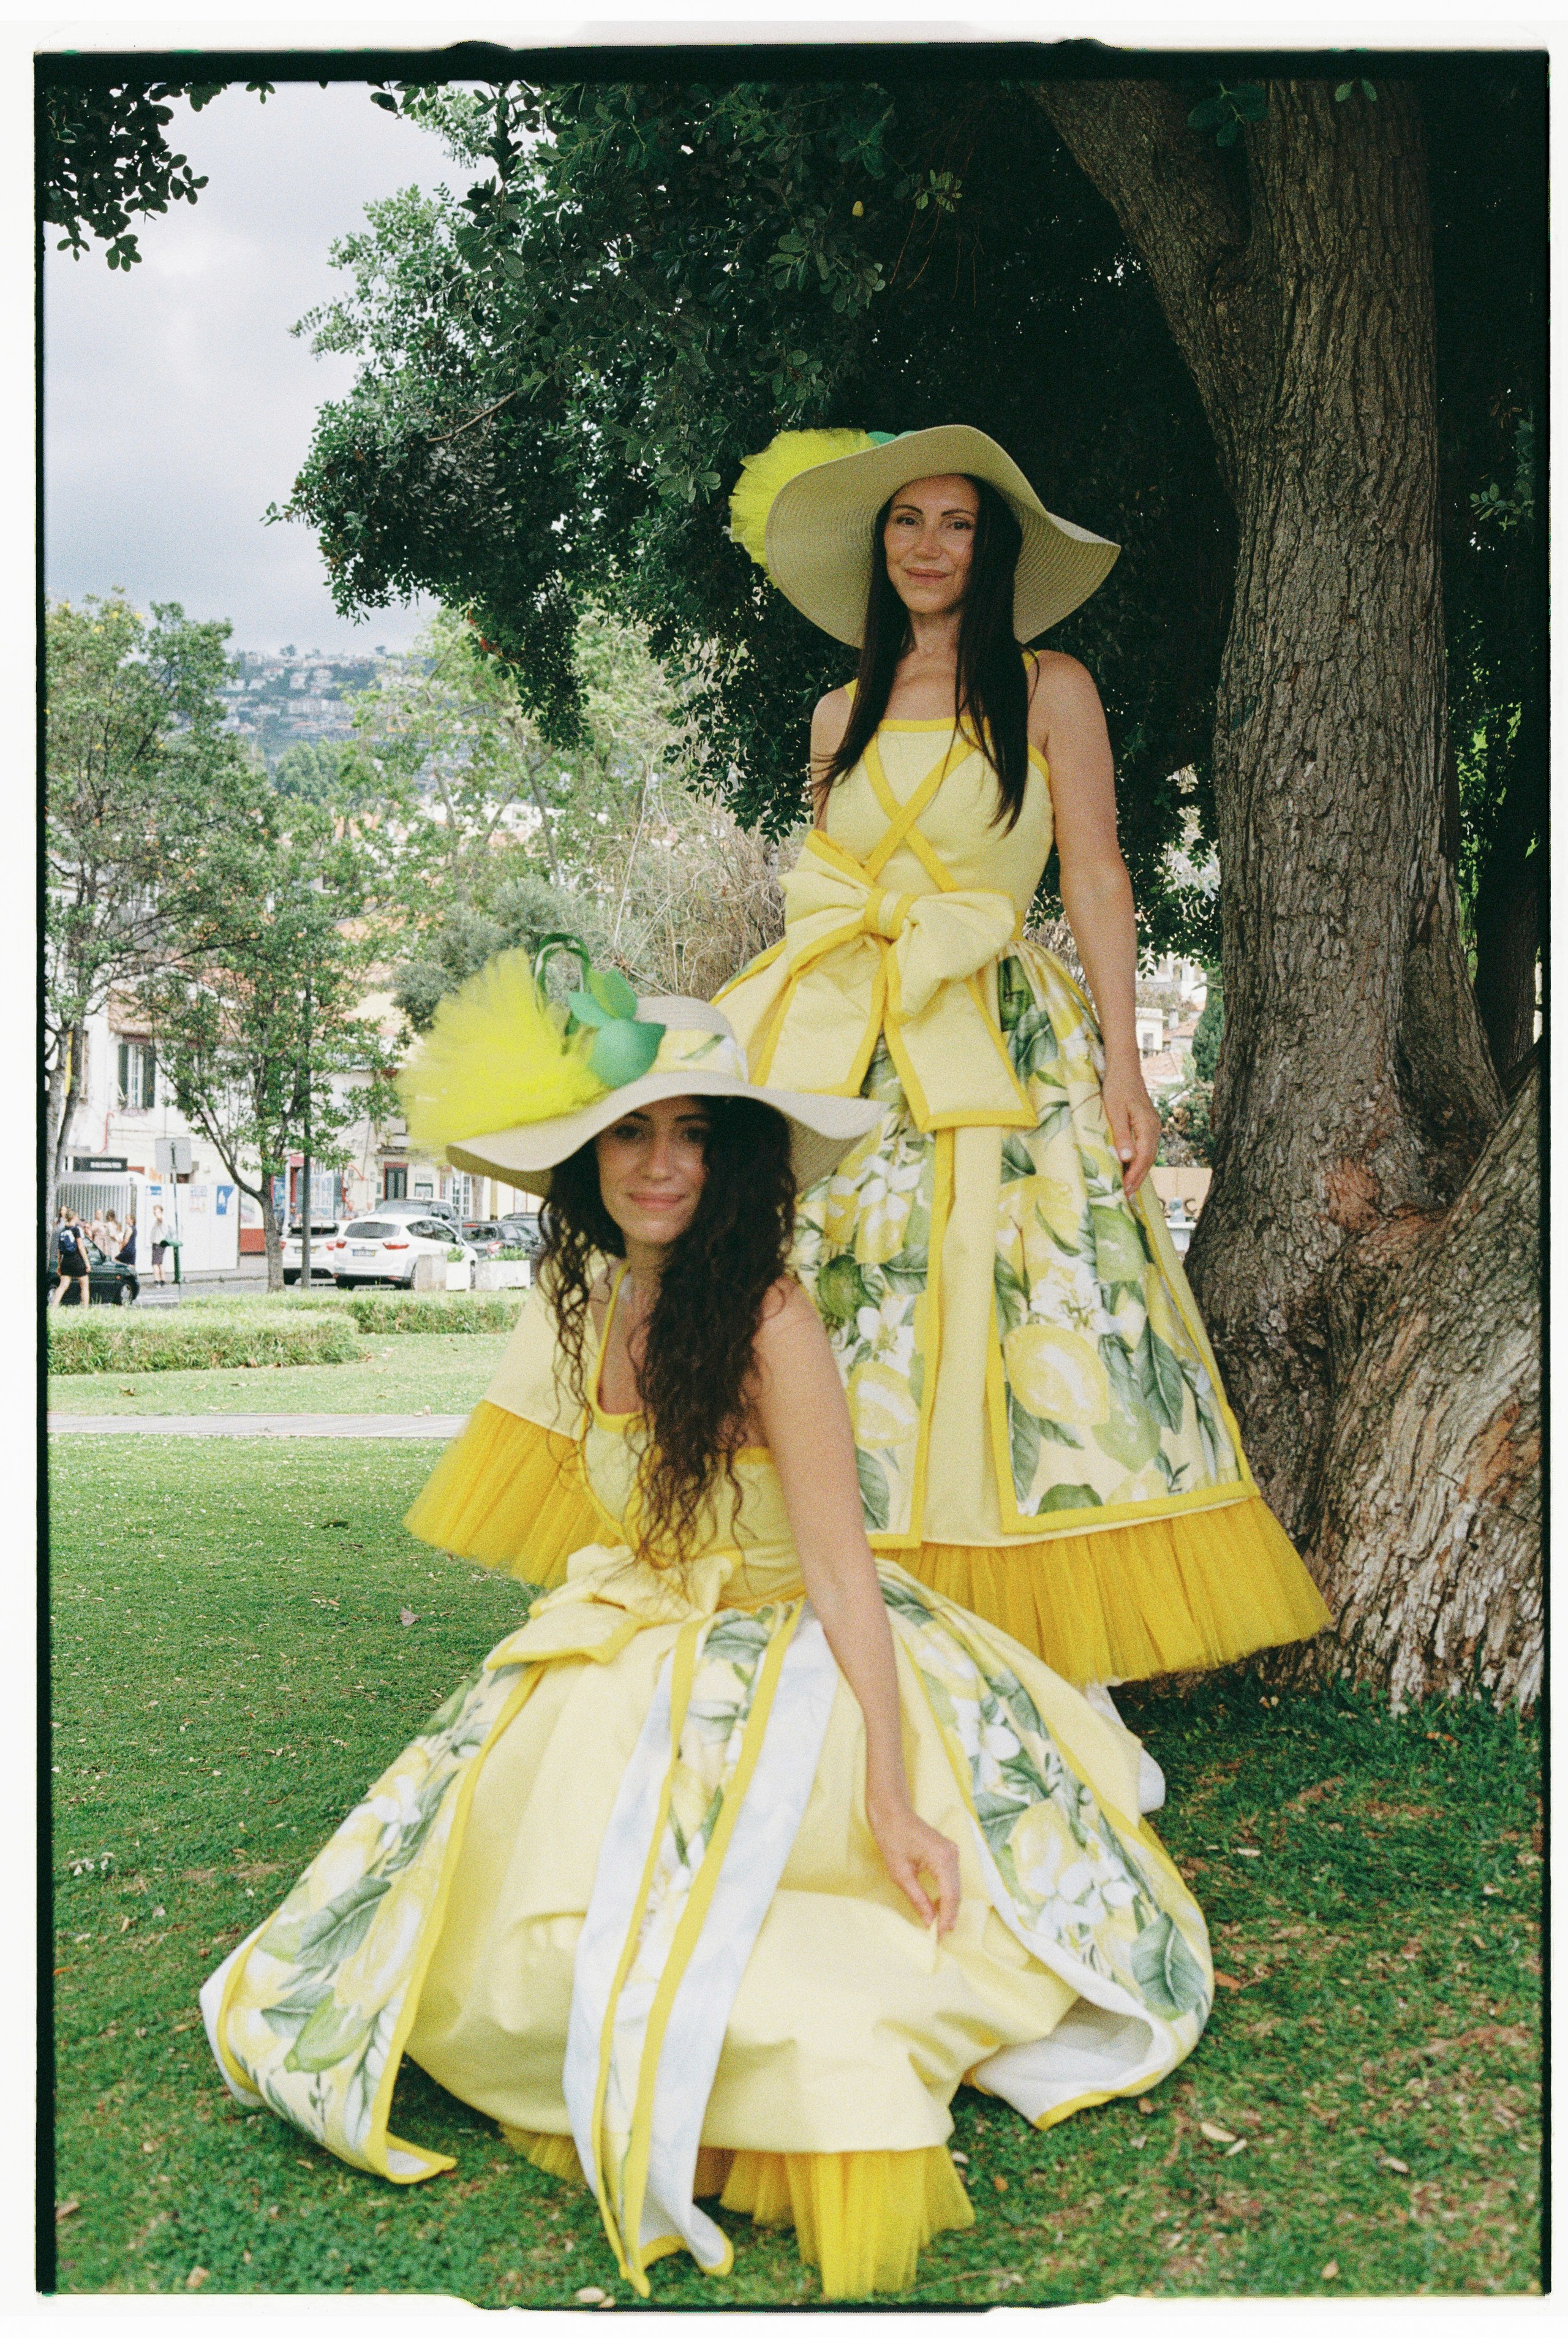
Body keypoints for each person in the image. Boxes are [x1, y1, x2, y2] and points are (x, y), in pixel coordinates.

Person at [205, 960, 1214, 2301]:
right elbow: (639, 1527)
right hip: (637, 1643)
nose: (661, 1164)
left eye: (692, 1132)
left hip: (794, 1654)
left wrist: (892, 1792)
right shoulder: (606, 1298)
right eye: (632, 1129)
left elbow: (842, 1572)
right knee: (464, 1903)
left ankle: (808, 2042)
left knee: (710, 1917)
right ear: (586, 1157)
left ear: (732, 1157)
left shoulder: (770, 1315)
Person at [705, 423, 1327, 1687]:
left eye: (957, 524)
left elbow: (1094, 869)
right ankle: (853, 1635)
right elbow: (823, 893)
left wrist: (1121, 1060)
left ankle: (1046, 1675)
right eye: (905, 522)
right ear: (877, 549)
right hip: (851, 1039)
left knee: (1022, 1311)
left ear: (987, 553)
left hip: (1006, 1041)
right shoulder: (837, 711)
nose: (928, 546)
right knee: (856, 1308)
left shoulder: (1049, 686)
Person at [51, 1208, 90, 1307]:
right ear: (75, 1217)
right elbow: (81, 1247)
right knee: (84, 1285)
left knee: (63, 1286)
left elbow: (60, 1250)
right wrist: (87, 1263)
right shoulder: (76, 1230)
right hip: (76, 1259)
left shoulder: (62, 1231)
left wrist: (59, 1265)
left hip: (66, 1261)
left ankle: (54, 1306)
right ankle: (85, 1308)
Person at [149, 1205, 170, 1284]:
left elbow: (159, 1217)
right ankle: (163, 1279)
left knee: (155, 1263)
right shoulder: (160, 1220)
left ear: (160, 1212)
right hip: (159, 1243)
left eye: (156, 1210)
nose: (154, 1212)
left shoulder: (161, 1219)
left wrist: (158, 1213)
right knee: (160, 1263)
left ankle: (157, 1280)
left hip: (158, 1244)